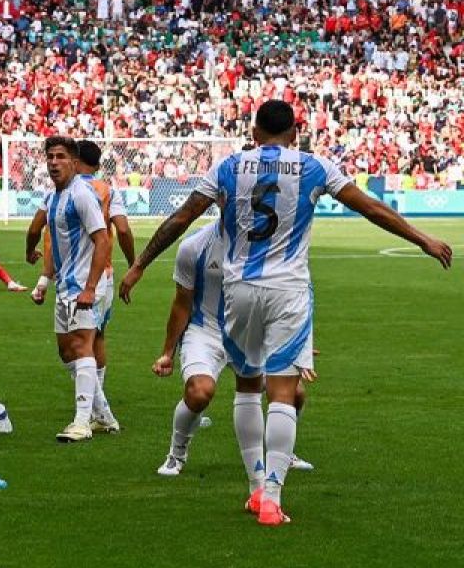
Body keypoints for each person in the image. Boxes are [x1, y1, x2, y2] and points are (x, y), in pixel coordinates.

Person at [120, 100, 452, 526]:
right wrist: (421, 238)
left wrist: (140, 264)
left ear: (254, 133)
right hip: (288, 291)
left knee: (246, 389)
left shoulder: (227, 167)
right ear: (295, 133)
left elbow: (181, 218)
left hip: (239, 291)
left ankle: (256, 490)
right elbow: (370, 207)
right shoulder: (315, 167)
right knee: (283, 392)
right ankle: (273, 500)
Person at [152, 221, 316, 476]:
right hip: (206, 331)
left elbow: (287, 294)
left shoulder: (268, 244)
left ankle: (283, 453)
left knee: (294, 393)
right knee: (199, 392)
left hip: (250, 330)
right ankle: (176, 454)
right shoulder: (194, 246)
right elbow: (182, 303)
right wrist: (167, 352)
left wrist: (295, 340)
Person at [28, 136, 112, 442]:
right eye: (50, 156)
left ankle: (82, 422)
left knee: (81, 346)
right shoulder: (54, 198)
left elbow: (102, 239)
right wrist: (44, 280)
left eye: (60, 156)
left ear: (74, 163)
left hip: (83, 286)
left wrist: (90, 288)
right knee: (66, 352)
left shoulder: (82, 195)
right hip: (65, 285)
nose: (53, 162)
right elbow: (54, 244)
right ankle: (105, 416)